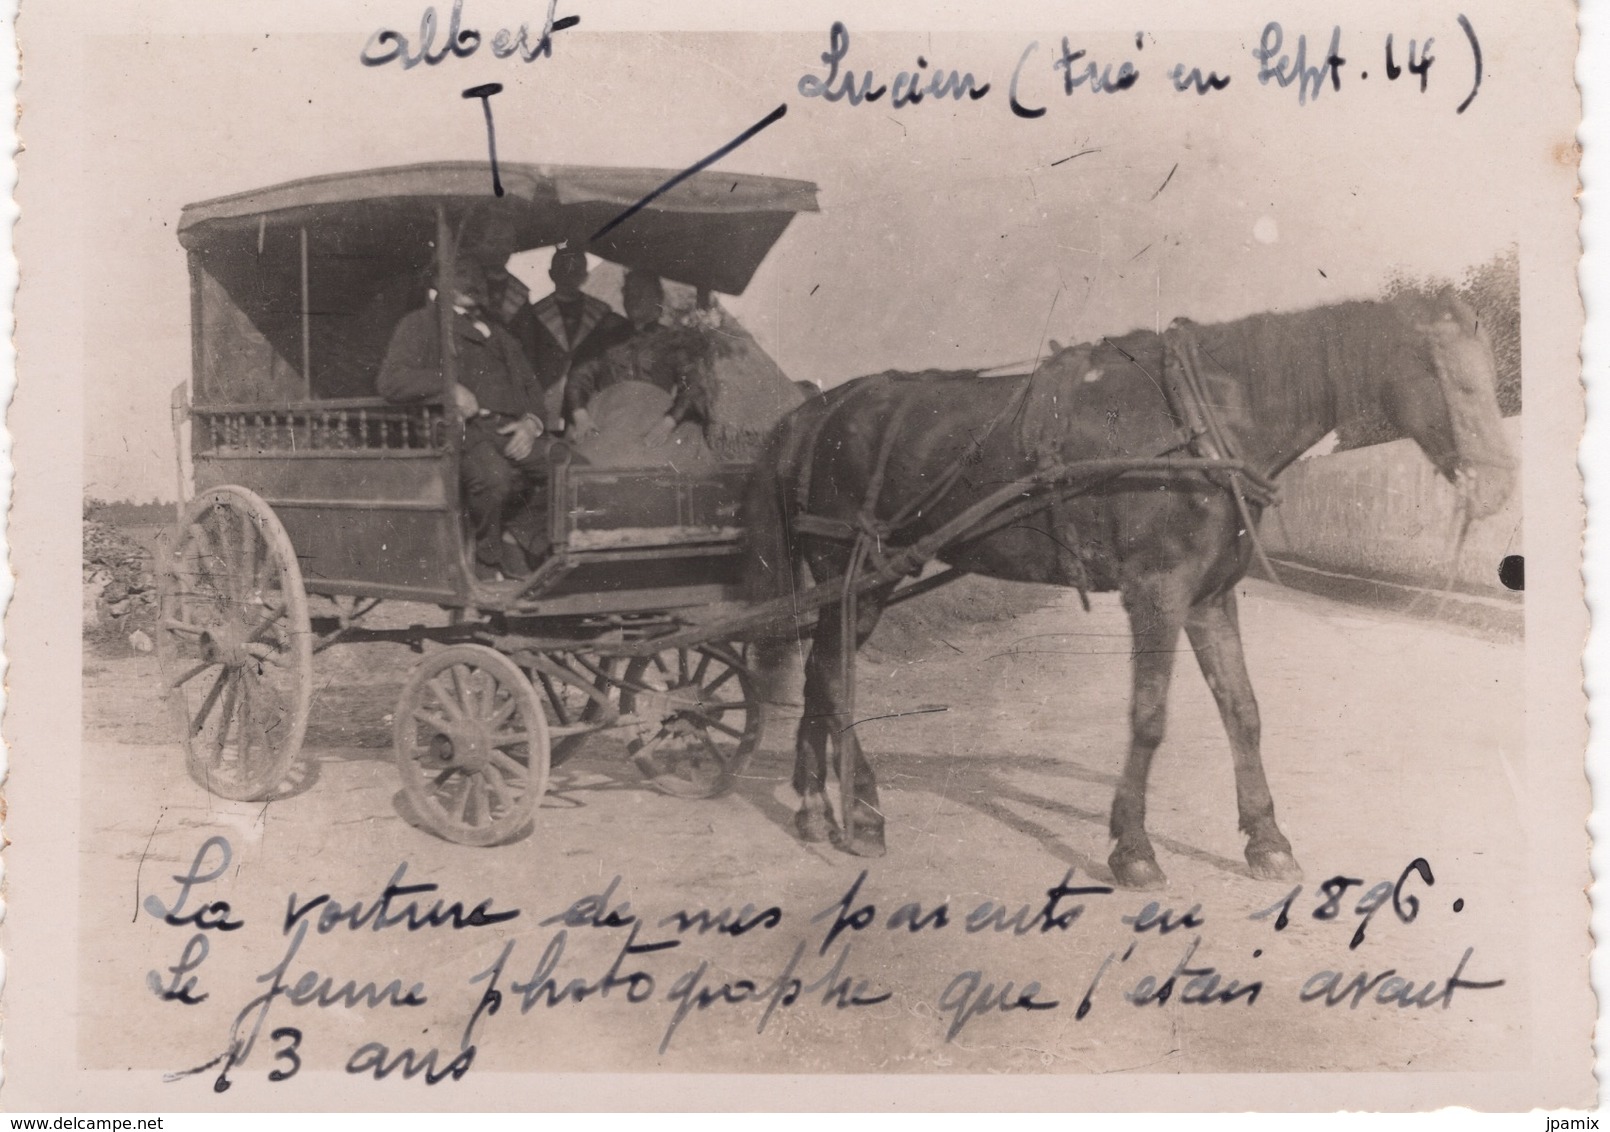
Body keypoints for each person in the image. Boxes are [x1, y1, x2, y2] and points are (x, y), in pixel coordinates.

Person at [377, 261, 553, 581]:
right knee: (494, 480)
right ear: (438, 280)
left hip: (511, 429)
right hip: (461, 431)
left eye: (477, 274)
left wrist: (530, 423)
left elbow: (530, 386)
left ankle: (521, 538)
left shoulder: (498, 328)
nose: (473, 281)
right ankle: (486, 564)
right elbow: (391, 381)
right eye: (461, 274)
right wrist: (450, 388)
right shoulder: (419, 324)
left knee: (570, 468)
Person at [566, 269, 712, 445]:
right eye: (629, 292)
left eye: (641, 292)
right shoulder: (605, 339)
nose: (633, 298)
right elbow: (579, 377)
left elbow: (692, 386)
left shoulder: (672, 341)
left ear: (658, 298)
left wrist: (668, 423)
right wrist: (581, 416)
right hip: (608, 428)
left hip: (656, 431)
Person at [522, 247, 631, 431]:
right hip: (546, 394)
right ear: (551, 274)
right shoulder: (534, 314)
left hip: (587, 396)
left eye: (576, 270)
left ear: (585, 276)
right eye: (563, 269)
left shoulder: (602, 312)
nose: (569, 275)